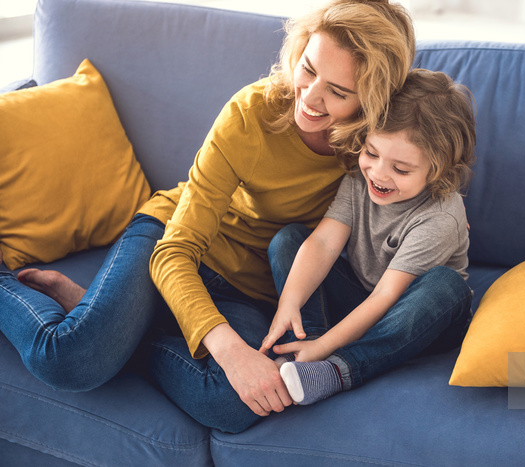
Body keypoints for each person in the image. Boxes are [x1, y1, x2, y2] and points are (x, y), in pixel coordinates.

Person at [0, 0, 415, 433]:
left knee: (237, 405)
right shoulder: (252, 114)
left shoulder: (379, 148)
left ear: (371, 101)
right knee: (71, 361)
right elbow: (175, 251)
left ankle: (120, 331)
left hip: (251, 289)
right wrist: (230, 351)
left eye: (338, 91)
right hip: (174, 243)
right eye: (308, 69)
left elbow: (430, 167)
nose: (309, 97)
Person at [260, 68, 477, 405]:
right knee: (290, 240)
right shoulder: (359, 180)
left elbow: (387, 296)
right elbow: (322, 244)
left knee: (445, 285)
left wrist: (327, 348)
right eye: (371, 153)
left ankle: (337, 368)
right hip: (363, 295)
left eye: (401, 169)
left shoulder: (441, 217)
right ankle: (306, 352)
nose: (378, 173)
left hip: (416, 316)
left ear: (438, 171)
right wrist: (289, 302)